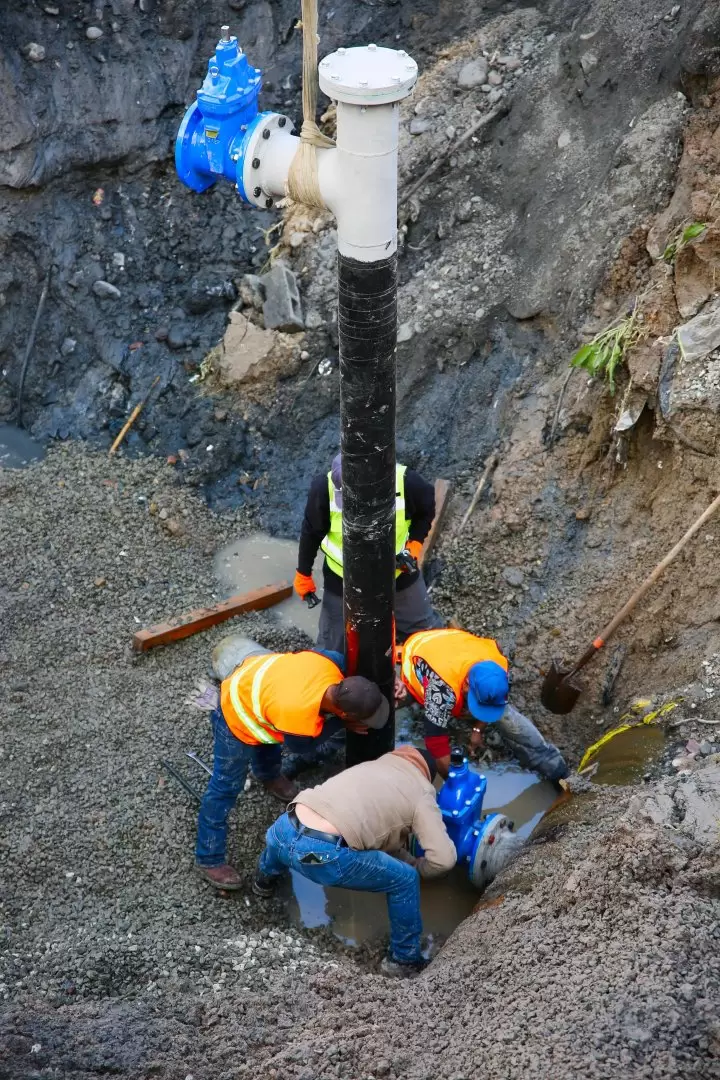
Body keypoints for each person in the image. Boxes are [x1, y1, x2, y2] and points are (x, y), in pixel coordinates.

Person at [194, 636, 389, 891]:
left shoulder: (329, 663)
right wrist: (341, 725)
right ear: (343, 712)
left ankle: (269, 776)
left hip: (261, 683)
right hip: (233, 712)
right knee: (225, 786)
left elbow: (282, 723)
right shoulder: (298, 718)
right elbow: (302, 745)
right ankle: (208, 858)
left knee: (269, 734)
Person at [254, 745, 456, 977]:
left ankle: (263, 882)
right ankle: (404, 959)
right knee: (405, 880)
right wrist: (418, 868)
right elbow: (444, 860)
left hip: (282, 829)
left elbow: (372, 830)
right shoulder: (421, 792)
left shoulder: (372, 766)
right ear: (427, 774)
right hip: (320, 856)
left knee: (287, 844)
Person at [294, 453, 444, 654]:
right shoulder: (324, 490)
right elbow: (311, 532)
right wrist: (303, 573)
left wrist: (414, 544)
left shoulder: (406, 483)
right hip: (343, 579)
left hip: (397, 573)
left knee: (427, 636)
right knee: (331, 649)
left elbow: (426, 511)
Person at [395, 627, 568, 782]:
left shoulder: (497, 667)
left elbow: (494, 702)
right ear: (466, 685)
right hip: (417, 654)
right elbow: (436, 747)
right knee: (388, 703)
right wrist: (457, 783)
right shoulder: (441, 691)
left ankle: (555, 766)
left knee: (508, 718)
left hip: (450, 646)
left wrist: (478, 730)